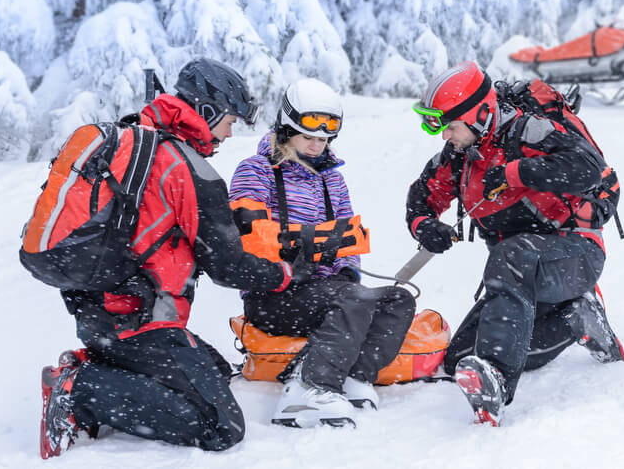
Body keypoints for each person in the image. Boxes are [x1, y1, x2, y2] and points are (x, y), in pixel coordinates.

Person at [39, 58, 314, 459]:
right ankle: (78, 389)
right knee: (221, 426)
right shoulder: (188, 168)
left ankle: (102, 362)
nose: (230, 131)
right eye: (230, 120)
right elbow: (228, 267)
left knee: (217, 371)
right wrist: (287, 273)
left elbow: (158, 227)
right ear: (206, 111)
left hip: (100, 313)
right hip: (137, 322)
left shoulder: (140, 142)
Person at [406, 61, 624, 426]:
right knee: (459, 356)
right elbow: (422, 194)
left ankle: (495, 379)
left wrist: (514, 173)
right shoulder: (459, 154)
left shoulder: (530, 132)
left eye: (451, 125)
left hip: (575, 255)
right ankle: (573, 319)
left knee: (511, 256)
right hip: (521, 280)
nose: (445, 135)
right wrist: (424, 224)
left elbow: (589, 167)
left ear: (478, 113)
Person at [229, 78, 416, 428]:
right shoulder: (256, 171)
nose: (317, 146)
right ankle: (309, 389)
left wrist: (345, 270)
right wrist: (307, 247)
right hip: (272, 295)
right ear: (286, 131)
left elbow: (348, 239)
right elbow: (246, 237)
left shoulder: (333, 180)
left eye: (323, 138)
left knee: (398, 300)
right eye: (308, 137)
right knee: (355, 300)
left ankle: (353, 376)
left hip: (326, 292)